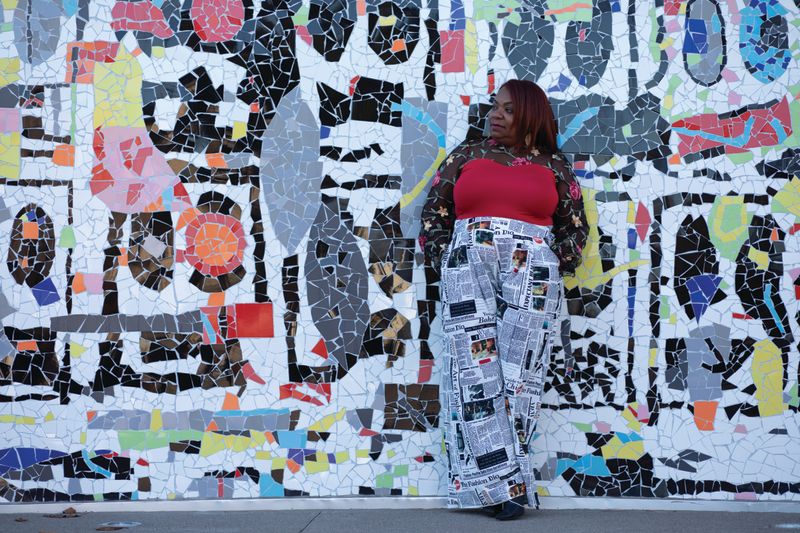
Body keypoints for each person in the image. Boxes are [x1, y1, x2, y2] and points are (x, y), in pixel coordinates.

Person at [418, 79, 588, 521]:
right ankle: (495, 489)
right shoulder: (467, 155)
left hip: (531, 275)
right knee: (473, 374)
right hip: (467, 268)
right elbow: (435, 213)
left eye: (508, 110)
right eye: (495, 107)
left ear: (530, 117)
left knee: (520, 375)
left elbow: (574, 229)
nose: (495, 115)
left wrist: (548, 260)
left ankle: (504, 487)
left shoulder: (555, 167)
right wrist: (452, 258)